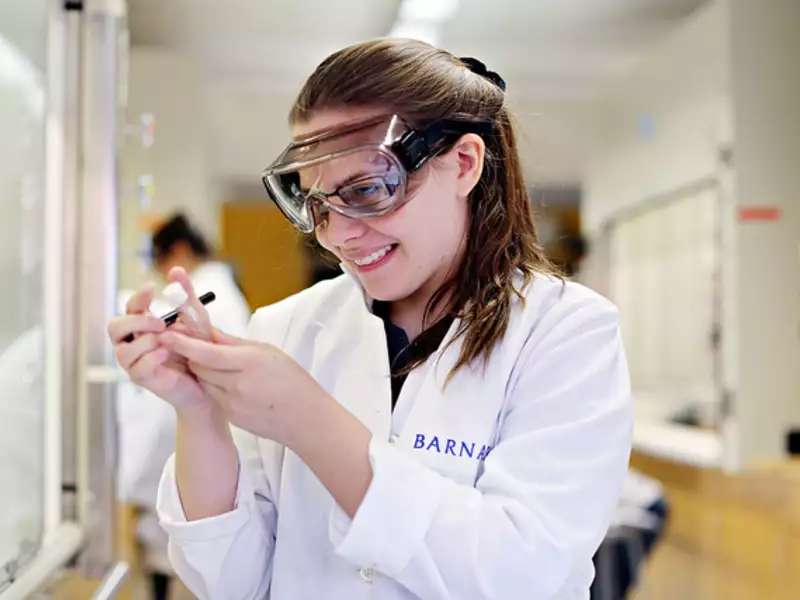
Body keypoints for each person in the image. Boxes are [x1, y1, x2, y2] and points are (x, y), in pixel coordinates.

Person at [107, 39, 633, 600]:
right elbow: (231, 580)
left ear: (464, 163)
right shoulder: (286, 327)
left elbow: (520, 575)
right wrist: (198, 411)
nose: (338, 235)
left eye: (367, 190)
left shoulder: (567, 333)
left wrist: (307, 418)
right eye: (319, 204)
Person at [116, 214, 250, 600]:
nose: (160, 272)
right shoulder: (221, 288)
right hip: (210, 439)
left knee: (187, 562)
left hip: (197, 440)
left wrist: (134, 471)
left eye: (159, 260)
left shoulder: (198, 295)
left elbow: (162, 406)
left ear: (178, 251)